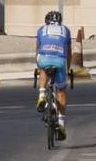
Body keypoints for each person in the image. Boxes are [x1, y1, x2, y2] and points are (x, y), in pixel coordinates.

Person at [35, 10, 72, 141]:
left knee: (42, 64)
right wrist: (67, 69)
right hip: (60, 60)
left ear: (47, 22)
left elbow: (38, 50)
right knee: (61, 90)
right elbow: (68, 53)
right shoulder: (66, 30)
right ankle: (61, 124)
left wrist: (38, 66)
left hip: (45, 58)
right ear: (60, 22)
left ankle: (42, 94)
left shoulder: (41, 30)